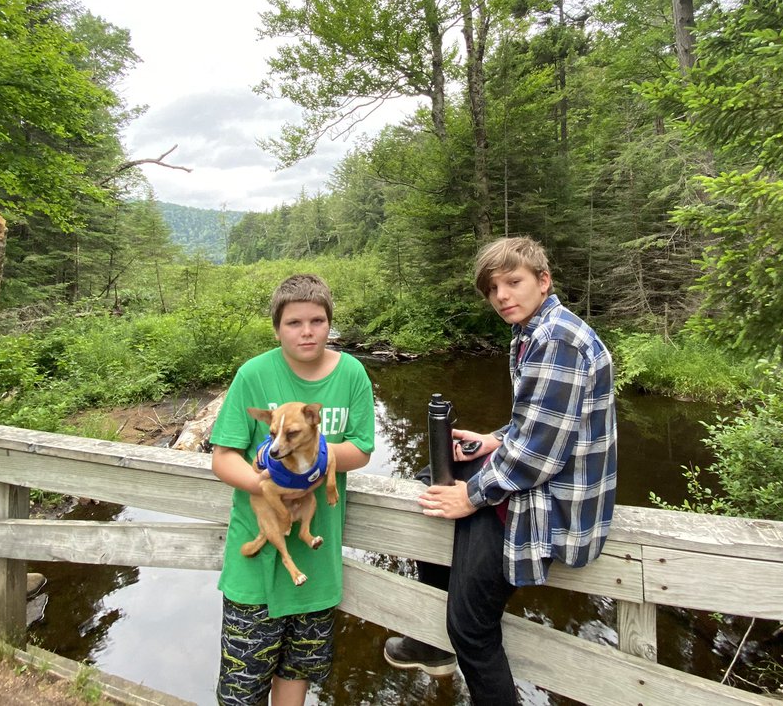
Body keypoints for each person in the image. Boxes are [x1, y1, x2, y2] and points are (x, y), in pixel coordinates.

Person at [383, 236, 617, 705]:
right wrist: (492, 441)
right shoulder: (535, 330)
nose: (502, 296)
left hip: (551, 505)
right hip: (542, 483)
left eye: (513, 282)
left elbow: (536, 456)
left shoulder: (558, 339)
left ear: (543, 281)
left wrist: (470, 497)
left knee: (469, 627)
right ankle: (431, 646)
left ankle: (447, 639)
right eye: (493, 289)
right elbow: (537, 419)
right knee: (437, 475)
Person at [210, 273, 376, 706]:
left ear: (329, 324)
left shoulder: (353, 373)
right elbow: (223, 456)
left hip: (317, 566)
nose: (307, 331)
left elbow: (361, 448)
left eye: (317, 321)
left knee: (297, 674)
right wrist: (271, 486)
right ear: (277, 327)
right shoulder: (254, 374)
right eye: (294, 323)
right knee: (241, 688)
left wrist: (318, 462)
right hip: (257, 566)